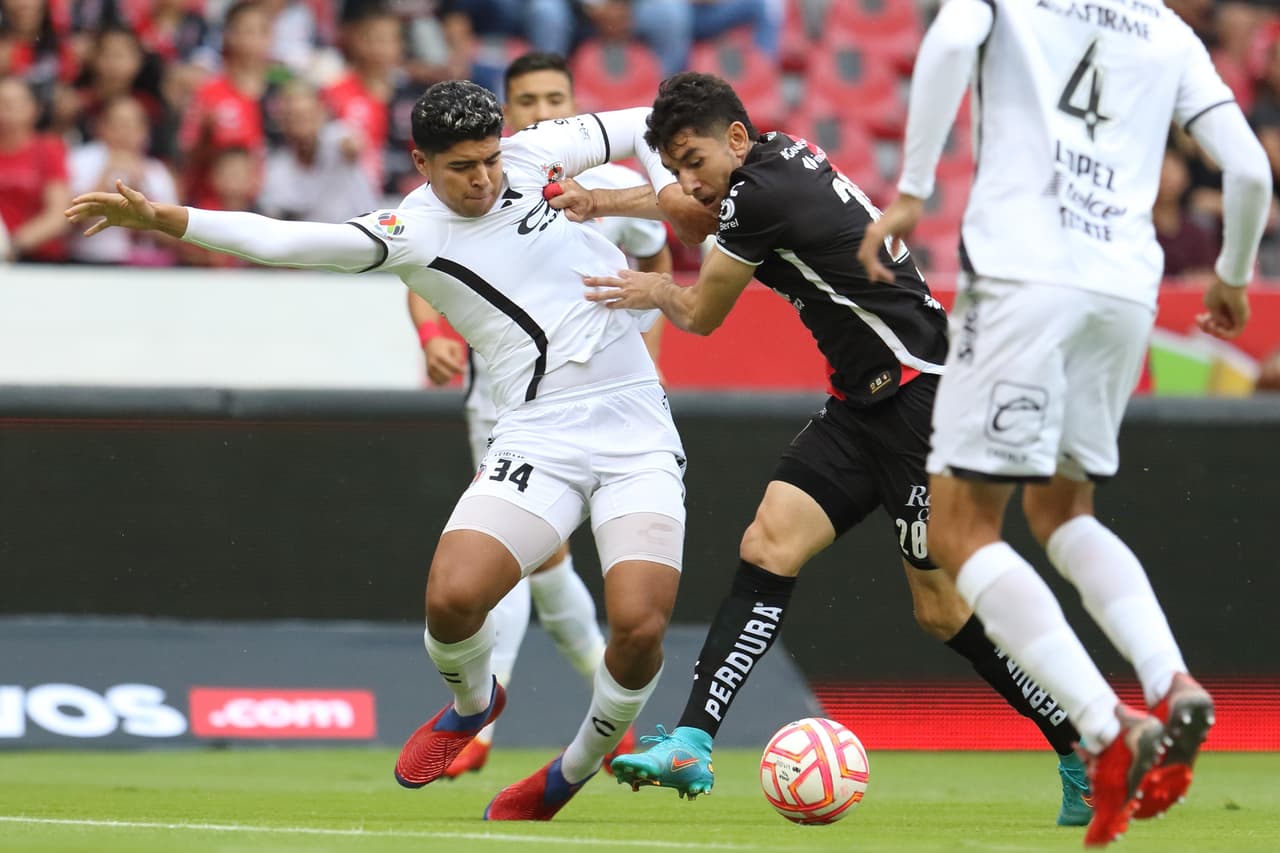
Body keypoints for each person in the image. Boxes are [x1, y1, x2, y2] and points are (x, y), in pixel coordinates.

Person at [67, 79, 704, 823]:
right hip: (540, 429)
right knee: (452, 597)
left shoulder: (533, 155)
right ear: (421, 162)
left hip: (636, 423)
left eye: (490, 159)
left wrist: (669, 192)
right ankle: (472, 703)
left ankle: (568, 771)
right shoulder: (411, 232)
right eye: (462, 165)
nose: (484, 178)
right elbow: (282, 240)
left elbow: (655, 122)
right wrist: (166, 219)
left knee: (638, 624)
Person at [560, 71, 1094, 827]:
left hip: (924, 403)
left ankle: (1082, 741)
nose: (686, 179)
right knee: (768, 543)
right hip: (865, 400)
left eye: (692, 159)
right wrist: (603, 201)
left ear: (736, 140)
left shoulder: (760, 193)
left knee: (940, 611)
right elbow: (693, 206)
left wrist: (652, 289)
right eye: (676, 164)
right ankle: (691, 740)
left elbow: (702, 312)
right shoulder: (772, 165)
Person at [857, 0, 1271, 846]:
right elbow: (1252, 173)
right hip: (1123, 288)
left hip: (1021, 275)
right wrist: (1231, 275)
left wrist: (910, 191)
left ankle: (1104, 723)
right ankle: (1172, 680)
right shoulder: (1167, 29)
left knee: (959, 527)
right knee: (1063, 511)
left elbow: (944, 42)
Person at [407, 50, 673, 779]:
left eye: (557, 97)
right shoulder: (484, 180)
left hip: (610, 405)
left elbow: (657, 266)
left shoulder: (611, 184)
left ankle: (516, 711)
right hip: (504, 403)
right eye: (529, 100)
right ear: (509, 109)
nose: (543, 113)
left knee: (551, 569)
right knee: (529, 561)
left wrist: (644, 354)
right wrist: (432, 336)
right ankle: (501, 710)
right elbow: (422, 271)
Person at [0, 74, 70, 263]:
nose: (6, 112)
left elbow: (58, 213)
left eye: (14, 105)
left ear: (34, 109)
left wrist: (12, 245)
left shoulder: (49, 149)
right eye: (2, 104)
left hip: (37, 259)